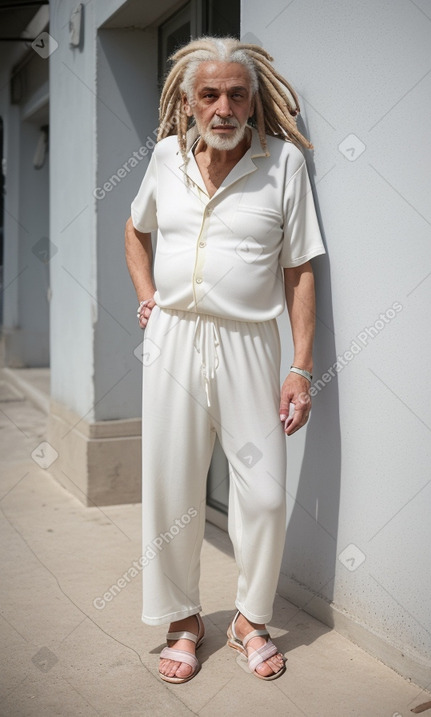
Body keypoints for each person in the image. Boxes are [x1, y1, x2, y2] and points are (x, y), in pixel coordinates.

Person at [125, 36, 325, 683]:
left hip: (250, 343)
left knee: (263, 494)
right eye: (208, 94)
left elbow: (299, 269)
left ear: (253, 98)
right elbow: (135, 227)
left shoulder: (283, 163)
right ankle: (184, 620)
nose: (223, 106)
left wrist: (300, 365)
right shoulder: (164, 157)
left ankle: (249, 617)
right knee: (171, 486)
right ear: (187, 102)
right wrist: (149, 296)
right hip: (175, 340)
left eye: (236, 93)